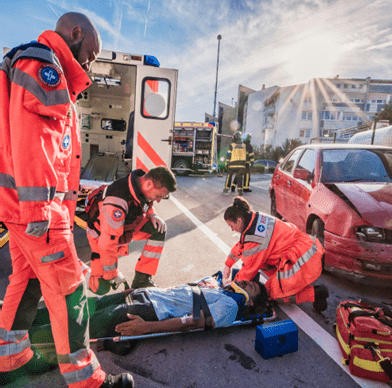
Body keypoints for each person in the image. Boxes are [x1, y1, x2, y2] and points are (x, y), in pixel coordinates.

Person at [0, 12, 134, 388]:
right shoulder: (45, 67)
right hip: (38, 212)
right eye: (90, 55)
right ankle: (87, 380)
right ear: (76, 34)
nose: (89, 64)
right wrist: (42, 211)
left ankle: (9, 357)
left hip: (20, 207)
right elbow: (35, 144)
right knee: (70, 290)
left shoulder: (30, 63)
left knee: (25, 281)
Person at [28, 276, 269, 355]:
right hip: (143, 295)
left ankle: (22, 345)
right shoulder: (219, 287)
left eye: (252, 288)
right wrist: (134, 290)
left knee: (84, 323)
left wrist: (146, 327)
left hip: (149, 311)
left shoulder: (231, 306)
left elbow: (193, 322)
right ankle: (22, 318)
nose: (247, 283)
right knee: (83, 305)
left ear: (251, 303)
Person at [222, 197, 329, 312]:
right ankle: (287, 284)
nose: (232, 230)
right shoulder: (254, 218)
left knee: (270, 294)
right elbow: (243, 244)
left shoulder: (256, 239)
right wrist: (228, 264)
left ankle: (316, 293)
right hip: (307, 248)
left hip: (303, 259)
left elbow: (248, 271)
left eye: (231, 226)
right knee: (264, 264)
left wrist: (231, 290)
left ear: (239, 220)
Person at [86, 166, 177, 291]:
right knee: (101, 288)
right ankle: (80, 275)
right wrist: (113, 274)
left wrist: (152, 214)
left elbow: (146, 202)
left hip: (126, 226)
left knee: (159, 229)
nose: (158, 200)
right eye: (158, 196)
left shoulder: (141, 183)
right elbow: (107, 243)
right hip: (101, 235)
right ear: (149, 184)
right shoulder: (117, 201)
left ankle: (142, 280)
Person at [223, 131, 247, 196]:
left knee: (229, 176)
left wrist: (227, 162)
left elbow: (228, 154)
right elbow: (246, 155)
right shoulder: (244, 146)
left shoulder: (232, 145)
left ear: (236, 137)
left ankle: (226, 189)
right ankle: (240, 190)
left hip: (232, 164)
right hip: (241, 165)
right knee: (239, 177)